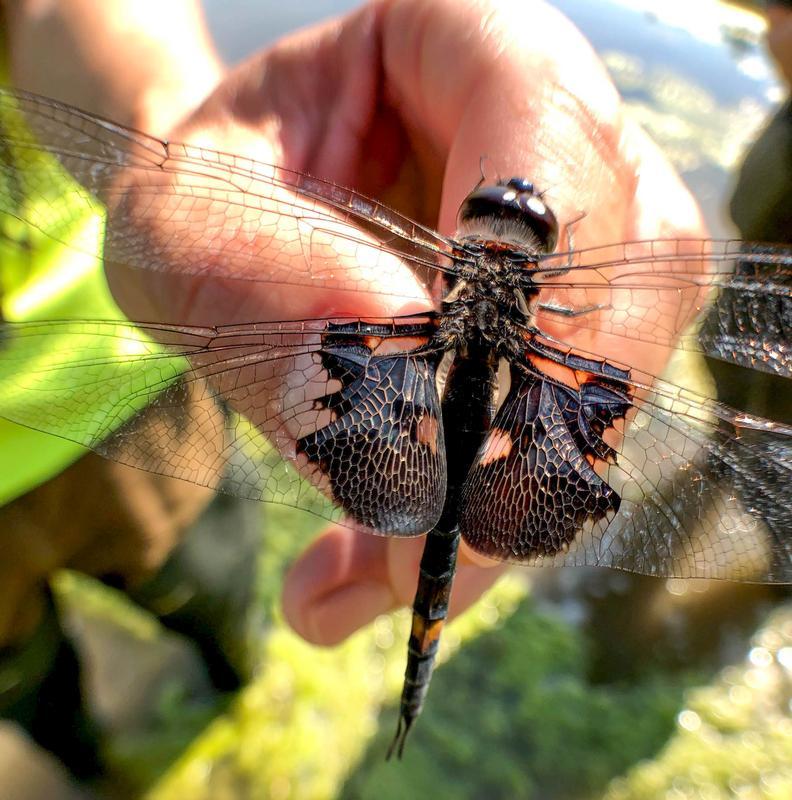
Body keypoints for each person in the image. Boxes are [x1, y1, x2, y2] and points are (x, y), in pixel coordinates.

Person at [0, 0, 704, 781]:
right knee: (33, 675)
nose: (502, 214)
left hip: (114, 393)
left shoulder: (438, 284)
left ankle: (176, 716)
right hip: (108, 396)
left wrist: (167, 144)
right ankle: (102, 754)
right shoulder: (547, 298)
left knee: (203, 589)